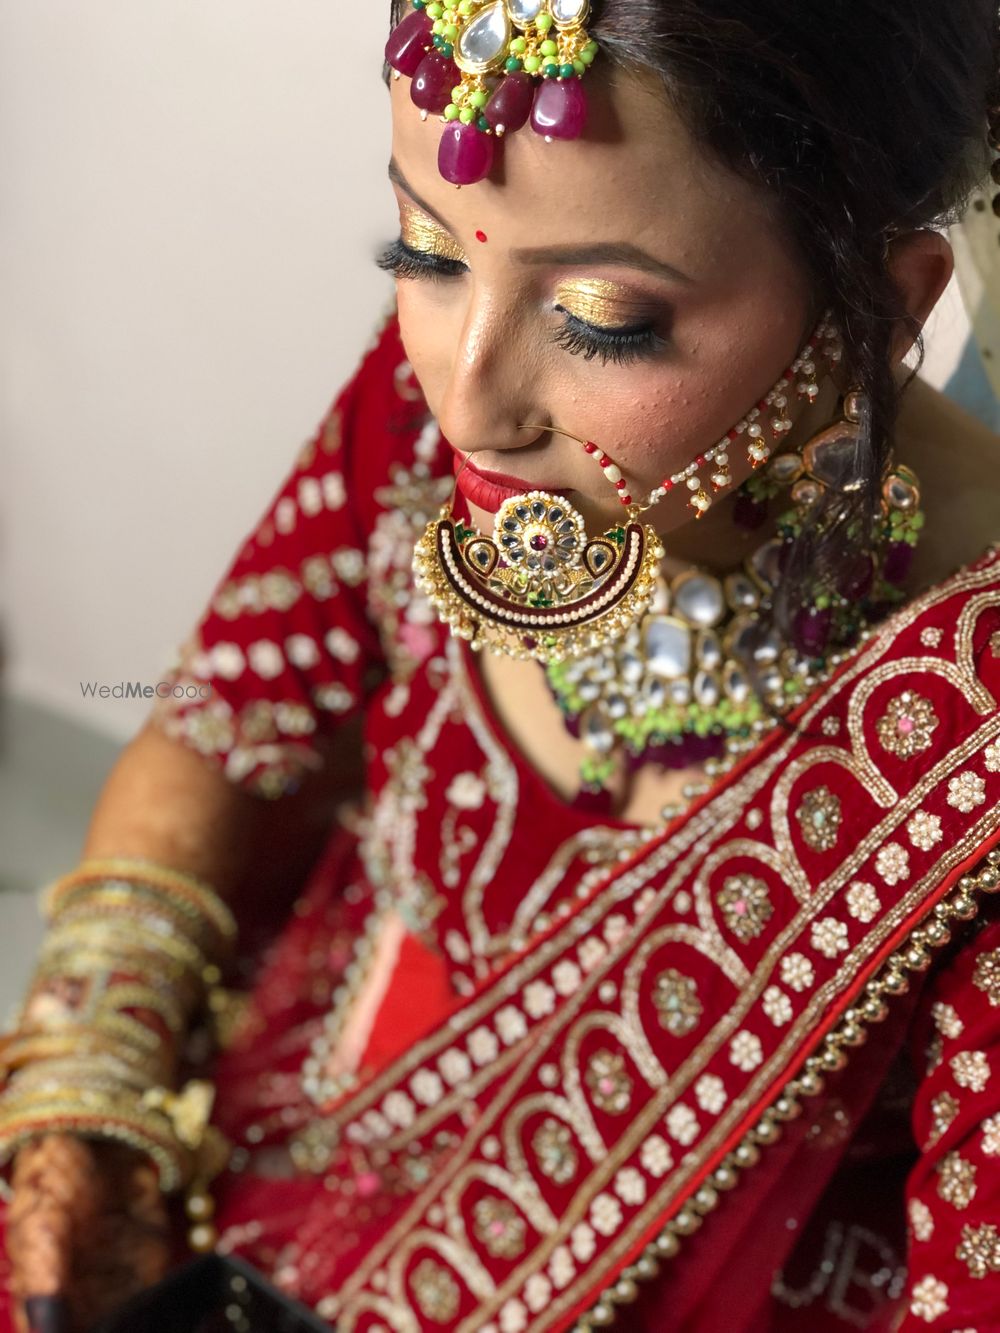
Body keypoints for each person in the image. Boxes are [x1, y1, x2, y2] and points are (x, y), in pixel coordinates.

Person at [2, 0, 1000, 1328]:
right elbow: (226, 727)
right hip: (273, 1151)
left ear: (886, 308)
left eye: (602, 316)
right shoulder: (439, 421)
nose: (469, 391)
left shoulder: (970, 712)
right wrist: (91, 1077)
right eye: (421, 249)